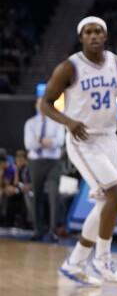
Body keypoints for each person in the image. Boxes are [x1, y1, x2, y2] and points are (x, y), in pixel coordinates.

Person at [41, 16, 117, 286]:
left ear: (105, 36)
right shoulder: (69, 67)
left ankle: (74, 263)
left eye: (98, 31)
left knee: (107, 202)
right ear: (81, 37)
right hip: (83, 139)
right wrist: (68, 122)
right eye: (88, 32)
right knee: (116, 194)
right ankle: (102, 259)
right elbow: (45, 103)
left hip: (109, 138)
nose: (93, 36)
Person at [23, 98, 66, 241]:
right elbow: (29, 145)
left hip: (53, 162)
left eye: (44, 104)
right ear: (36, 106)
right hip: (36, 162)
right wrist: (46, 141)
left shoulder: (58, 121)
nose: (41, 107)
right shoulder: (30, 123)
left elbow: (59, 141)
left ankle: (53, 231)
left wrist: (40, 141)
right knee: (37, 196)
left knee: (54, 195)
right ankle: (38, 230)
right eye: (39, 104)